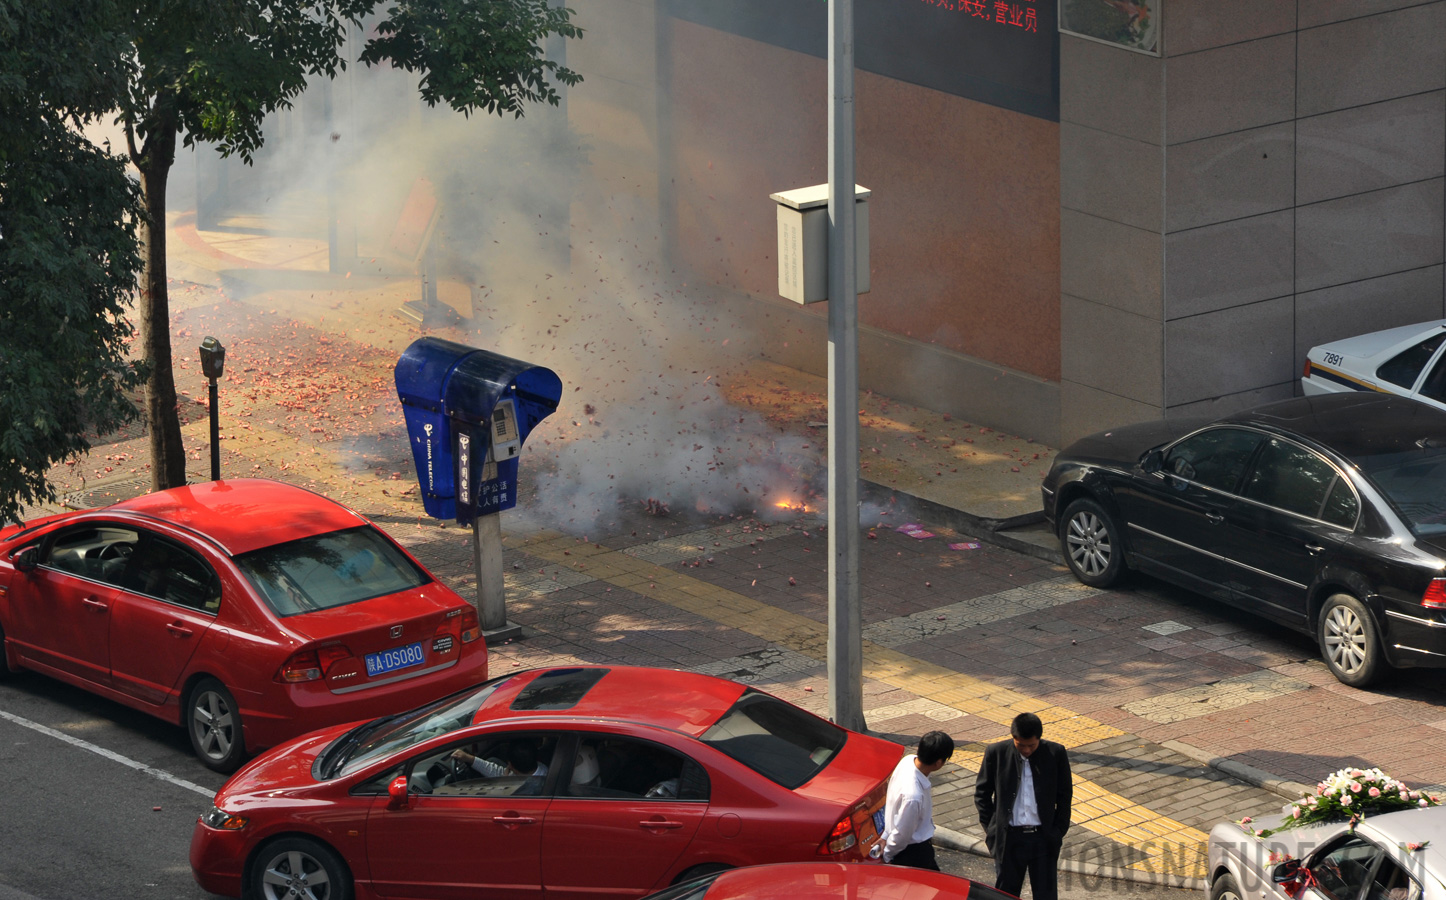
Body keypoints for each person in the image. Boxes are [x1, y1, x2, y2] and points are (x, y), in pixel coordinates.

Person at [974, 713, 1072, 900]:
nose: (1026, 750)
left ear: (1039, 739)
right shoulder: (996, 752)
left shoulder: (1055, 753)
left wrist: (1057, 830)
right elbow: (982, 794)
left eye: (1031, 745)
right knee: (1006, 894)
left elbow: (1065, 794)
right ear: (1013, 738)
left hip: (1043, 838)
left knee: (1046, 894)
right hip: (1009, 839)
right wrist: (993, 829)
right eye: (1021, 745)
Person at [880, 730, 956, 869]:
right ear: (938, 763)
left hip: (906, 846)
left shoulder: (907, 760)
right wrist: (887, 855)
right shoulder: (913, 796)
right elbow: (903, 833)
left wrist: (885, 837)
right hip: (913, 853)